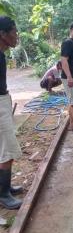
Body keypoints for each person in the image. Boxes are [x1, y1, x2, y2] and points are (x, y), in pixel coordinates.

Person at [0, 16, 23, 210]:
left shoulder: (2, 54)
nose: (16, 36)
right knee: (7, 149)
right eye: (14, 32)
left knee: (4, 147)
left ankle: (5, 187)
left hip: (3, 100)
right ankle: (4, 194)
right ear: (3, 34)